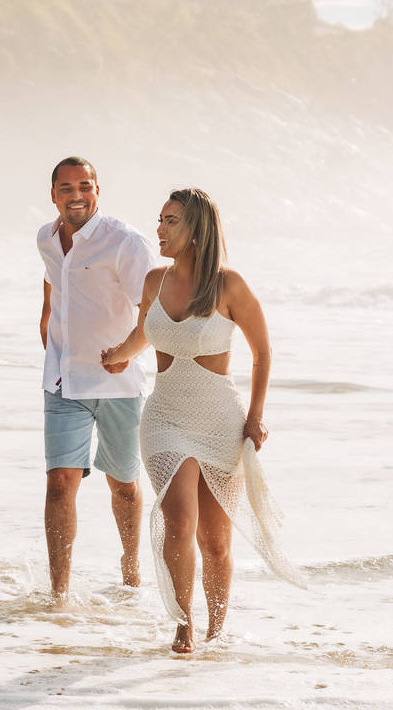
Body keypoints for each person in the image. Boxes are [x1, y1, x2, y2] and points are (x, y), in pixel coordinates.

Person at [101, 187, 306, 653]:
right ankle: (183, 623)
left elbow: (263, 353)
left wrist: (255, 419)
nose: (160, 230)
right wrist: (117, 356)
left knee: (215, 542)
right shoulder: (154, 281)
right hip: (164, 416)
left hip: (219, 420)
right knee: (178, 521)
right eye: (160, 220)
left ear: (197, 229)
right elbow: (143, 335)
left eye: (171, 221)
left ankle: (217, 630)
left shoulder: (229, 286)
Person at [37, 155, 154, 606]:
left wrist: (129, 352)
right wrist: (46, 321)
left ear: (97, 191)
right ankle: (59, 594)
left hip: (118, 385)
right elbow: (52, 281)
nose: (76, 196)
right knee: (60, 483)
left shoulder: (124, 242)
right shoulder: (46, 238)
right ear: (53, 195)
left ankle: (130, 572)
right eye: (66, 188)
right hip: (64, 379)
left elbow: (153, 306)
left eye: (85, 186)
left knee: (123, 483)